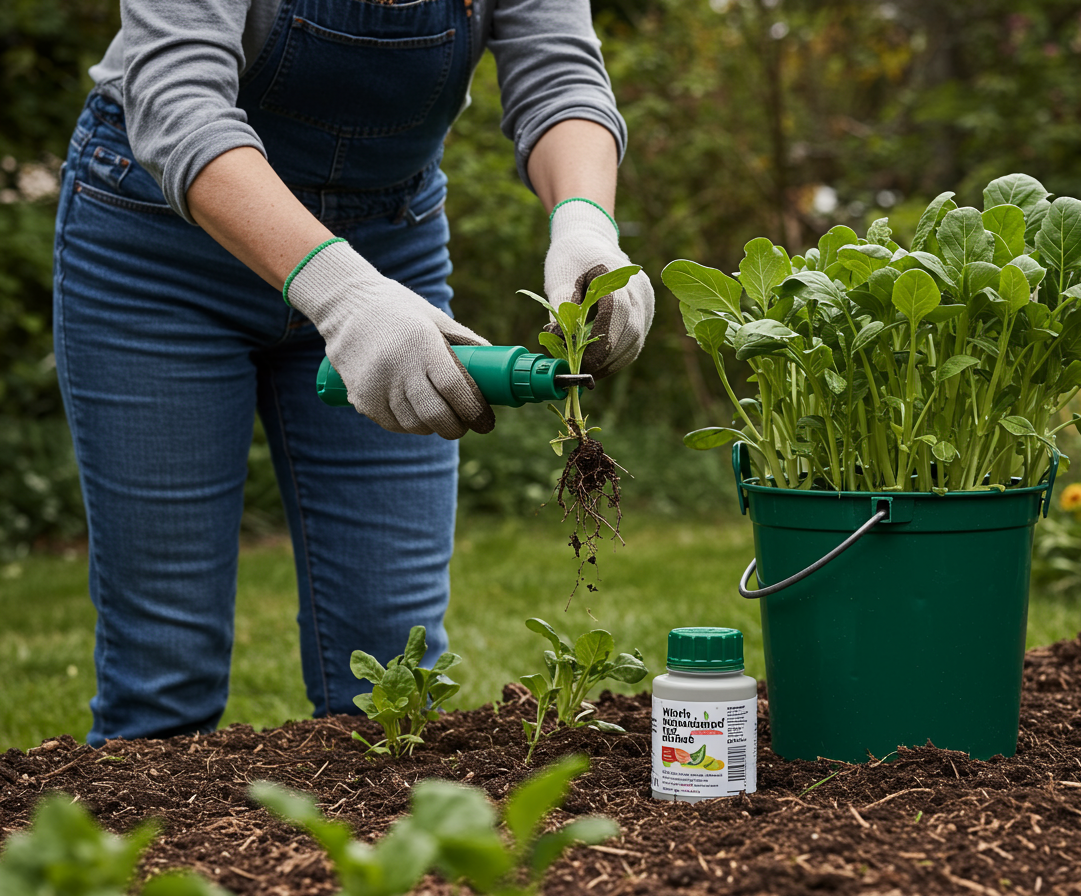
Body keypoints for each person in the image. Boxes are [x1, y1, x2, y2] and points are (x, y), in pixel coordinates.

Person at [53, 0, 654, 747]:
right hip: (160, 252)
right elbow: (178, 102)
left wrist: (587, 224)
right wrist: (341, 294)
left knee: (393, 678)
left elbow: (560, 79)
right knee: (164, 675)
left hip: (387, 248)